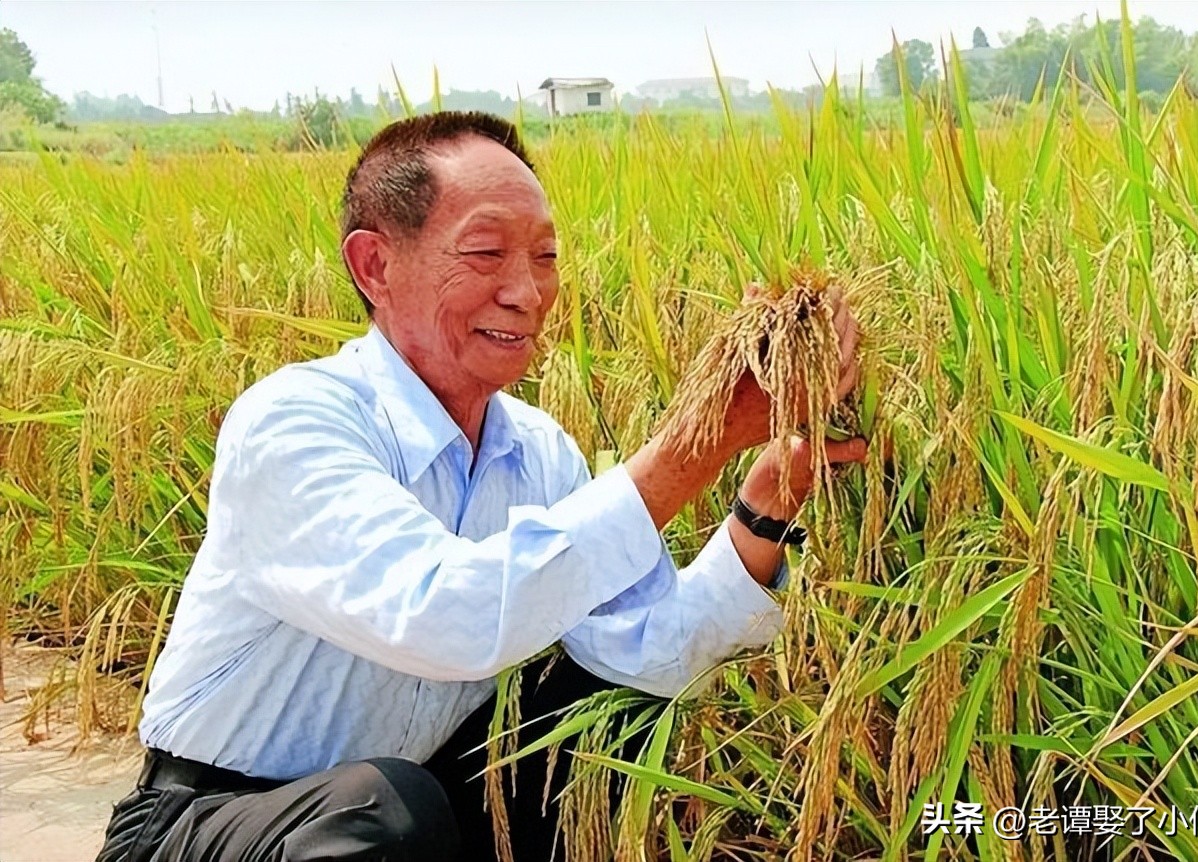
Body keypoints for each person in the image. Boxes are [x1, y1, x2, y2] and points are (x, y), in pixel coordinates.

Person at [95, 110, 865, 862]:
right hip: (208, 823)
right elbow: (444, 616)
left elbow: (648, 651)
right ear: (375, 267)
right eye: (487, 252)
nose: (526, 292)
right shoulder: (295, 423)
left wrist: (770, 501)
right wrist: (697, 444)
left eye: (545, 256)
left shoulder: (537, 453)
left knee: (594, 715)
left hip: (404, 810)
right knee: (385, 812)